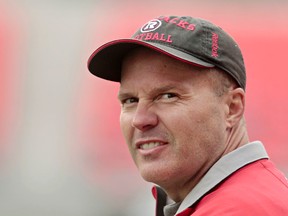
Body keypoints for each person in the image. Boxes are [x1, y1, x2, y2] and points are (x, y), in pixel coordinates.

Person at [87, 15, 288, 216]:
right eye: (130, 100)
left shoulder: (241, 209)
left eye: (167, 96)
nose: (140, 120)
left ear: (232, 107)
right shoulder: (235, 198)